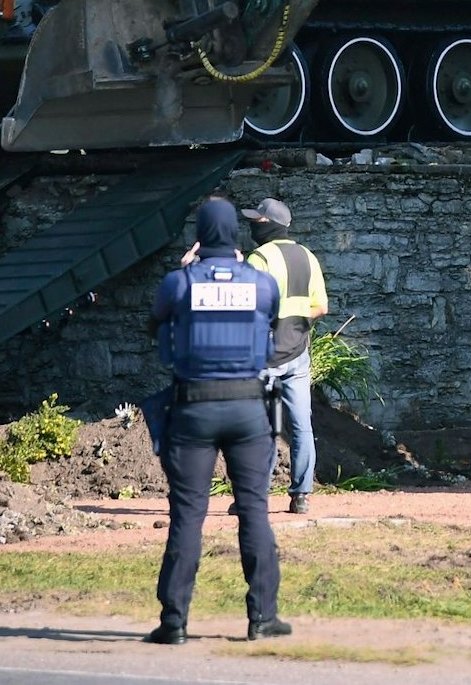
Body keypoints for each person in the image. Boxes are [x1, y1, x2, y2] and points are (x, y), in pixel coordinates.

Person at [148, 197, 291, 644]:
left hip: (194, 408)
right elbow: (270, 331)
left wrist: (188, 267)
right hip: (249, 410)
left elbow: (157, 322)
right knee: (253, 511)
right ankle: (263, 618)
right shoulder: (263, 283)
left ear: (200, 233)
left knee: (188, 515)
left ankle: (174, 623)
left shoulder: (180, 281)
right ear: (234, 234)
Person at [242, 198, 328, 515]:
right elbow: (322, 307)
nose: (252, 225)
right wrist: (295, 324)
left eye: (257, 221)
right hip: (299, 349)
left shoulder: (259, 257)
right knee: (301, 426)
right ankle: (301, 496)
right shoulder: (307, 256)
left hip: (264, 352)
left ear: (269, 225)